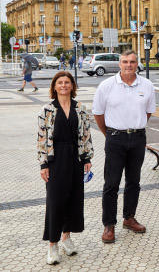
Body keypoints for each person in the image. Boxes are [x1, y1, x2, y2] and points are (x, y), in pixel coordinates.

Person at [92, 50, 156, 244]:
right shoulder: (107, 85)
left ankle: (129, 218)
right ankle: (109, 225)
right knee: (111, 184)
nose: (129, 65)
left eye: (132, 62)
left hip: (137, 139)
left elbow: (148, 112)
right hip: (115, 139)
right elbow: (98, 114)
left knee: (134, 182)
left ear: (138, 64)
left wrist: (134, 128)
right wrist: (110, 134)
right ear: (119, 64)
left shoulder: (147, 85)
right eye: (125, 62)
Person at [37, 71, 93, 264]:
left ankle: (66, 238)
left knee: (74, 198)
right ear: (54, 86)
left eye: (67, 82)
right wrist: (43, 163)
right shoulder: (47, 109)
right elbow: (42, 139)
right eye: (60, 82)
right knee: (55, 201)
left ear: (72, 86)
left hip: (76, 157)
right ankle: (52, 245)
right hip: (55, 158)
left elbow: (86, 134)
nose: (63, 85)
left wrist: (87, 158)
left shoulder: (80, 108)